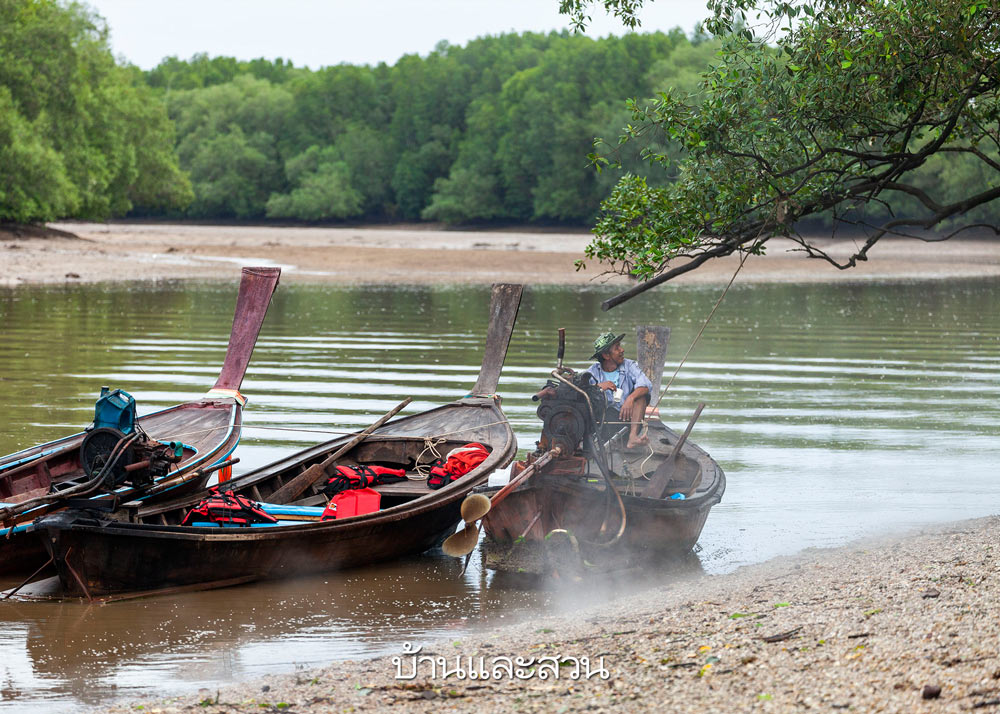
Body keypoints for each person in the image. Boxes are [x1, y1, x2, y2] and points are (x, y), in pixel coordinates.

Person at [585, 331, 653, 448]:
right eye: (617, 348)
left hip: (627, 421)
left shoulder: (629, 365)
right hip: (602, 424)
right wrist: (598, 387)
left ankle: (632, 437)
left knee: (642, 396)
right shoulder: (592, 372)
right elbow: (580, 391)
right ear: (606, 355)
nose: (622, 350)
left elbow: (646, 384)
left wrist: (630, 399)